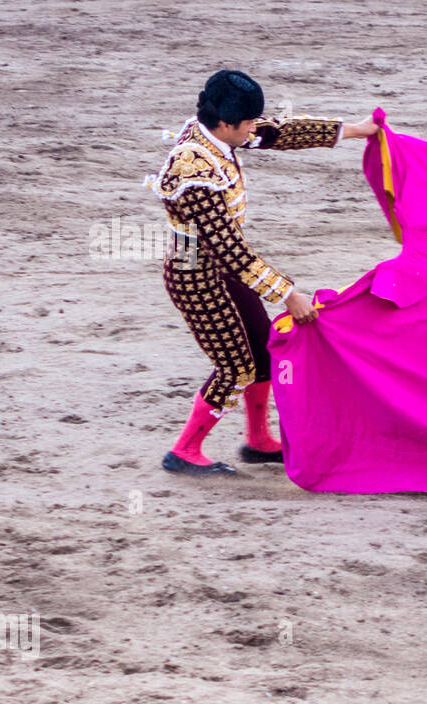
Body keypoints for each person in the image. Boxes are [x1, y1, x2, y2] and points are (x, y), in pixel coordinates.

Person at [148, 70, 378, 475]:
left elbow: (280, 132)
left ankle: (257, 441)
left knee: (261, 351)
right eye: (249, 122)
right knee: (236, 366)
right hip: (195, 272)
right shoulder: (193, 171)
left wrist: (357, 131)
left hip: (221, 267)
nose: (256, 127)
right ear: (225, 123)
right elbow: (229, 249)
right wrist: (288, 293)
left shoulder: (216, 133)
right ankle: (183, 451)